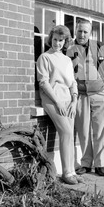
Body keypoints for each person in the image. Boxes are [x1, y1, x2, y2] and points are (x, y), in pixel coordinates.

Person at [67, 19, 104, 177]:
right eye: (80, 31)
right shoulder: (68, 48)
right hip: (81, 95)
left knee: (100, 130)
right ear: (76, 30)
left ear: (90, 33)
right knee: (83, 130)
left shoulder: (100, 46)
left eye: (85, 32)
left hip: (101, 93)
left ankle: (100, 164)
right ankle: (86, 163)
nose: (82, 34)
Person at [36, 25, 83, 185]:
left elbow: (72, 83)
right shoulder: (44, 57)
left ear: (65, 41)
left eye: (61, 40)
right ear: (51, 39)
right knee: (67, 133)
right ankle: (67, 173)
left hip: (68, 99)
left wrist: (74, 100)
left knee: (70, 136)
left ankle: (72, 171)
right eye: (55, 39)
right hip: (52, 98)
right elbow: (43, 82)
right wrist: (57, 101)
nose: (57, 43)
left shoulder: (67, 60)